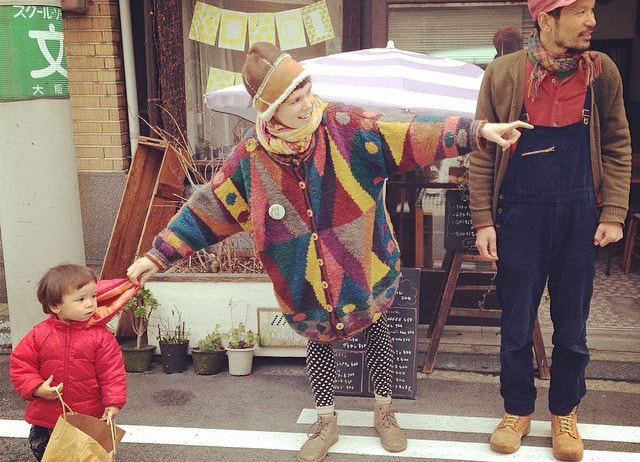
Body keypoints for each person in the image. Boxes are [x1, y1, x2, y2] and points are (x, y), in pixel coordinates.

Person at [127, 42, 529, 462]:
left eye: (306, 92)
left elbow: (407, 133)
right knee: (317, 346)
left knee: (378, 333)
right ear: (270, 110)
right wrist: (157, 256)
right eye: (293, 100)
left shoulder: (343, 125)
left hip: (365, 264)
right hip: (302, 279)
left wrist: (475, 132)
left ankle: (385, 413)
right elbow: (209, 209)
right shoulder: (250, 158)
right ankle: (326, 422)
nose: (307, 105)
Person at [469, 0, 632, 460]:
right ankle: (517, 410)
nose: (592, 21)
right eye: (579, 11)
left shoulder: (602, 73)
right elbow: (482, 150)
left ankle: (565, 412)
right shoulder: (502, 74)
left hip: (580, 214)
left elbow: (617, 144)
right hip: (520, 214)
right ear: (545, 20)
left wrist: (614, 211)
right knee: (516, 322)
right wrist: (483, 220)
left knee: (573, 325)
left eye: (592, 9)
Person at [10, 264, 128, 461]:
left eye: (93, 296)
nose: (90, 304)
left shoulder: (101, 336)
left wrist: (113, 403)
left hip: (88, 417)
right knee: (48, 454)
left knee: (87, 455)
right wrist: (37, 388)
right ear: (55, 306)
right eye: (81, 299)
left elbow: (112, 373)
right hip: (46, 418)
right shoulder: (39, 334)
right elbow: (20, 365)